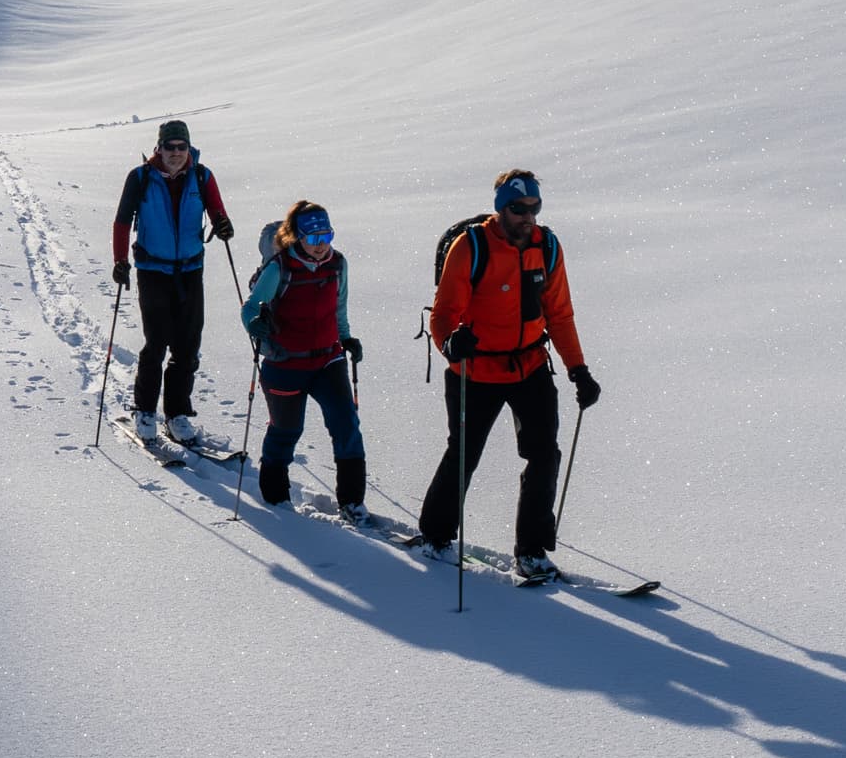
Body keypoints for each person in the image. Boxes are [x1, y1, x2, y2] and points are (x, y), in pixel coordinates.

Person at [412, 168, 599, 584]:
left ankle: (531, 552)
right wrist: (449, 345)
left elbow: (560, 314)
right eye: (518, 208)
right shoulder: (470, 247)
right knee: (463, 455)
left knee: (544, 455)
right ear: (501, 208)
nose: (528, 216)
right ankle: (435, 537)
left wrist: (578, 369)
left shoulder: (546, 247)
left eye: (534, 208)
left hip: (529, 366)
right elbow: (443, 316)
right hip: (473, 370)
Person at [238, 200, 368, 517]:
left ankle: (352, 502)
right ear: (298, 237)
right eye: (314, 239)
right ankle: (276, 497)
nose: (322, 246)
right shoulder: (279, 268)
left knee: (347, 425)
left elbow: (339, 308)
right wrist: (255, 325)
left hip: (327, 360)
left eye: (327, 236)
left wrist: (347, 337)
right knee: (286, 430)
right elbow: (251, 307)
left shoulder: (338, 265)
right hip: (285, 363)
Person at [110, 119, 233, 448]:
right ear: (159, 148)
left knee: (188, 345)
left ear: (188, 148)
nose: (176, 153)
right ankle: (145, 410)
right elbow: (122, 221)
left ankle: (177, 412)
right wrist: (120, 261)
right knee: (157, 342)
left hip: (191, 270)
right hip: (153, 270)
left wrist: (223, 225)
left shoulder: (202, 176)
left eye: (181, 147)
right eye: (169, 147)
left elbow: (218, 211)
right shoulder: (140, 178)